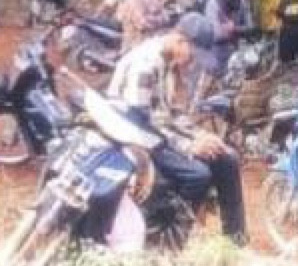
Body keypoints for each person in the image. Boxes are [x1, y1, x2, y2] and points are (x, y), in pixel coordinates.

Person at [102, 14, 247, 245]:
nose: (192, 61)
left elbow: (171, 114)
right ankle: (170, 243)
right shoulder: (145, 65)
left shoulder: (168, 62)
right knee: (197, 175)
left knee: (227, 158)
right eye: (193, 54)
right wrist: (188, 145)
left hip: (154, 133)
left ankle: (236, 241)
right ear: (180, 41)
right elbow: (140, 123)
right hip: (133, 138)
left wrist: (200, 135)